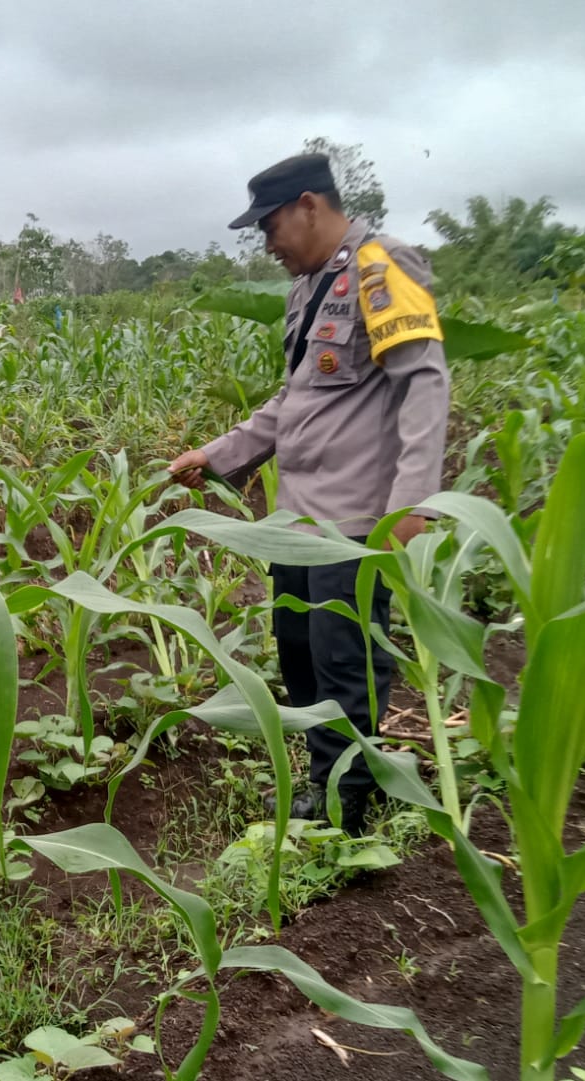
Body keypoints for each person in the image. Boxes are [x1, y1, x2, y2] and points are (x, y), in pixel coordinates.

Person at [169, 153, 450, 835]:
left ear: (308, 205)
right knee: (297, 651)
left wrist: (411, 503)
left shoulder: (382, 270)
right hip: (295, 517)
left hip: (354, 516)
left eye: (269, 227)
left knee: (343, 659)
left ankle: (349, 796)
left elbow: (423, 383)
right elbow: (294, 401)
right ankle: (327, 772)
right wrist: (219, 454)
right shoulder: (309, 289)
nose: (267, 244)